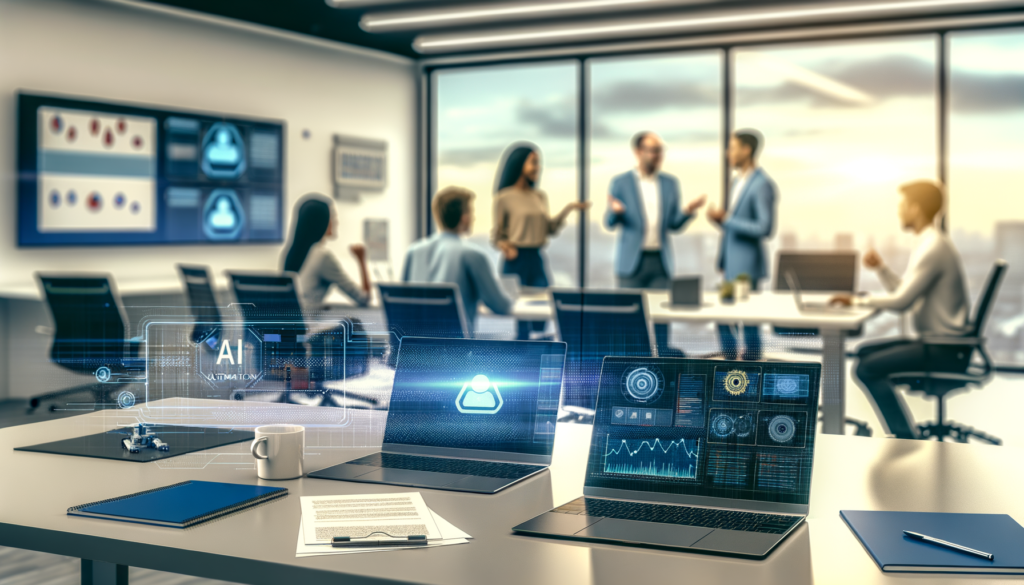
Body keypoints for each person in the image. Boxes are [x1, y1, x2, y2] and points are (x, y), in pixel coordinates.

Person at [831, 180, 969, 439]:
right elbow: (906, 292)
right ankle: (906, 433)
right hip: (941, 343)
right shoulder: (928, 242)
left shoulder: (932, 247)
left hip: (943, 348)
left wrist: (856, 301)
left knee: (865, 368)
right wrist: (882, 269)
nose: (899, 212)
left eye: (903, 206)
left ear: (916, 209)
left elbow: (901, 303)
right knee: (863, 352)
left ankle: (906, 437)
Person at [606, 131, 706, 355]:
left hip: (660, 261)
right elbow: (609, 222)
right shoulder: (620, 183)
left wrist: (688, 211)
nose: (658, 155)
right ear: (638, 152)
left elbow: (673, 225)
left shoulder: (670, 184)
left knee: (662, 318)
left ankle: (661, 366)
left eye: (660, 150)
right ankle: (632, 366)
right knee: (629, 319)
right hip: (632, 262)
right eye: (653, 150)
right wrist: (616, 212)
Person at [492, 142, 590, 339]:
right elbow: (497, 236)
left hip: (536, 258)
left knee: (542, 312)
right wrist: (506, 246)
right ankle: (522, 361)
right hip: (516, 260)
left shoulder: (539, 196)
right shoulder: (504, 197)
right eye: (534, 162)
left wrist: (569, 209)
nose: (538, 167)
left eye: (539, 163)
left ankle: (535, 354)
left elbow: (550, 229)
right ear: (520, 164)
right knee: (521, 317)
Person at [707, 129, 777, 360]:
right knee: (725, 318)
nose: (728, 153)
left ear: (747, 150)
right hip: (732, 265)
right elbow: (735, 226)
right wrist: (722, 256)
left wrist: (726, 219)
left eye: (733, 148)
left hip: (748, 267)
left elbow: (764, 228)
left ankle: (750, 368)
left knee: (748, 323)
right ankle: (730, 365)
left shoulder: (761, 184)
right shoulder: (738, 181)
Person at [405, 186, 514, 333]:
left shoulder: (413, 252)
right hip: (455, 352)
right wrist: (512, 296)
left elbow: (403, 301)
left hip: (412, 351)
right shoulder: (473, 255)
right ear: (465, 217)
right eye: (472, 212)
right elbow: (501, 306)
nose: (474, 217)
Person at [283, 194, 370, 309]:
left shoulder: (293, 253)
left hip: (294, 323)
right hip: (309, 325)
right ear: (321, 221)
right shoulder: (322, 256)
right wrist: (361, 260)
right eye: (332, 216)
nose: (336, 221)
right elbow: (364, 298)